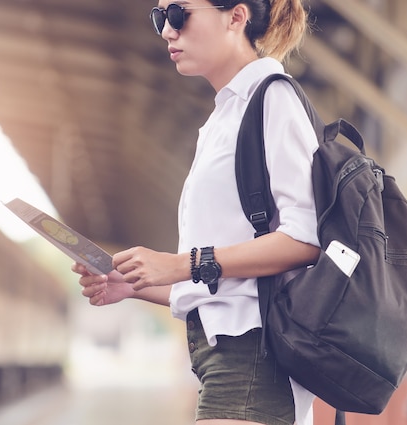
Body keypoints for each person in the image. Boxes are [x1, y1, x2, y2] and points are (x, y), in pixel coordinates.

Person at [72, 1, 321, 424]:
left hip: (254, 359)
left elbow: (305, 239)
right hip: (220, 356)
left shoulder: (271, 99)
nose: (168, 31)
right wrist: (133, 285)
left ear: (235, 17)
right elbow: (218, 286)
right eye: (159, 19)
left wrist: (181, 263)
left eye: (178, 14)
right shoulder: (222, 120)